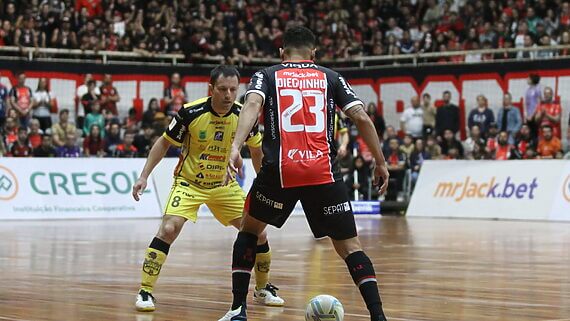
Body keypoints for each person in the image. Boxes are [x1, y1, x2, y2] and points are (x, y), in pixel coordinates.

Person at [218, 26, 389, 321]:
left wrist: (236, 145)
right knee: (350, 247)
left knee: (249, 231)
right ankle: (378, 316)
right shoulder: (330, 77)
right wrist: (380, 161)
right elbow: (360, 116)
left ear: (282, 53)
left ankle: (238, 310)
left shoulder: (267, 75)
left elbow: (253, 104)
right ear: (314, 53)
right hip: (322, 172)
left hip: (280, 171)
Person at [131, 65, 282, 313]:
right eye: (222, 89)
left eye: (234, 90)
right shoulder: (191, 112)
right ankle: (145, 291)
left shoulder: (244, 116)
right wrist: (144, 175)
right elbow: (163, 143)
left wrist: (263, 183)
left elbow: (256, 150)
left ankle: (263, 289)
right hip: (189, 183)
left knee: (259, 233)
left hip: (224, 186)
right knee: (168, 229)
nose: (228, 95)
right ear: (210, 88)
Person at [525, 73, 541, 137]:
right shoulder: (528, 90)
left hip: (534, 115)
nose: (527, 79)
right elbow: (526, 103)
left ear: (532, 80)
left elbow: (539, 103)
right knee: (529, 133)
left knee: (535, 132)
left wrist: (532, 115)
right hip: (528, 115)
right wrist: (526, 113)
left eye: (528, 78)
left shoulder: (537, 89)